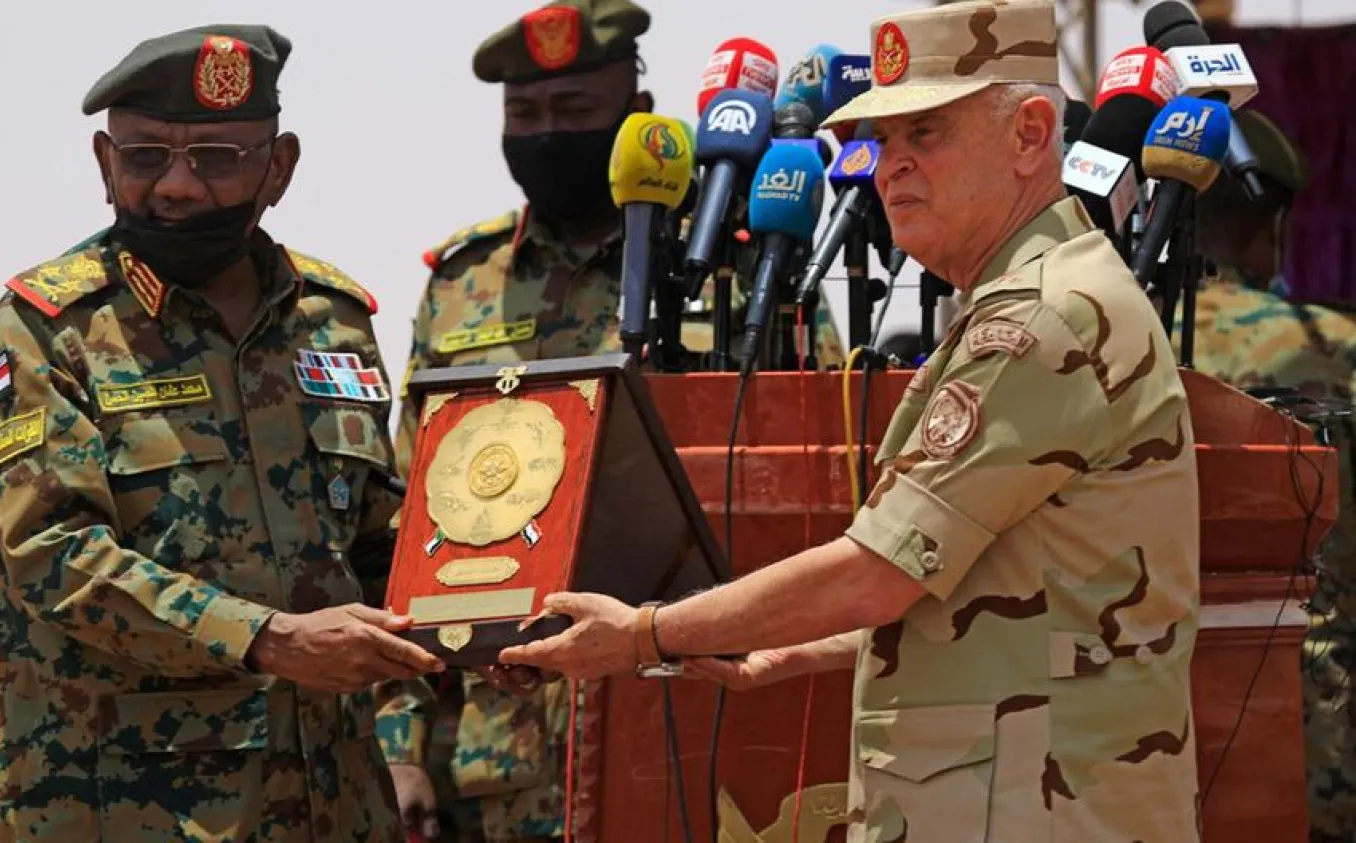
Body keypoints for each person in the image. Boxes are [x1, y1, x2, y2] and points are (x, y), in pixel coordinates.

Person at [498, 1, 1202, 840]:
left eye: (927, 134)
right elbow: (1001, 591)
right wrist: (799, 651)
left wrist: (645, 633)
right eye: (884, 141)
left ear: (1030, 133)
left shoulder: (1044, 317)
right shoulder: (1043, 294)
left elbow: (878, 571)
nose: (891, 167)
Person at [0, 24, 443, 842]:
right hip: (131, 807)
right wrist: (269, 640)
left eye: (216, 157)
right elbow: (55, 556)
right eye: (146, 157)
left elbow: (372, 541)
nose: (177, 186)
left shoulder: (333, 322)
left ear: (279, 167)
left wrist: (479, 613)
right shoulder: (48, 331)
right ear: (104, 164)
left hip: (334, 802)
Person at [379, 3, 845, 841]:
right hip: (508, 759)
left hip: (704, 723)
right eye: (525, 117)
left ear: (637, 114)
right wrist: (400, 742)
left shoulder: (747, 265)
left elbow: (819, 480)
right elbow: (407, 529)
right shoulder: (464, 283)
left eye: (575, 113)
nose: (547, 135)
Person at [1183, 111, 1356, 843]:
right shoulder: (1331, 348)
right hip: (1313, 719)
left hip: (1144, 723)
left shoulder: (1110, 340)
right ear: (1269, 226)